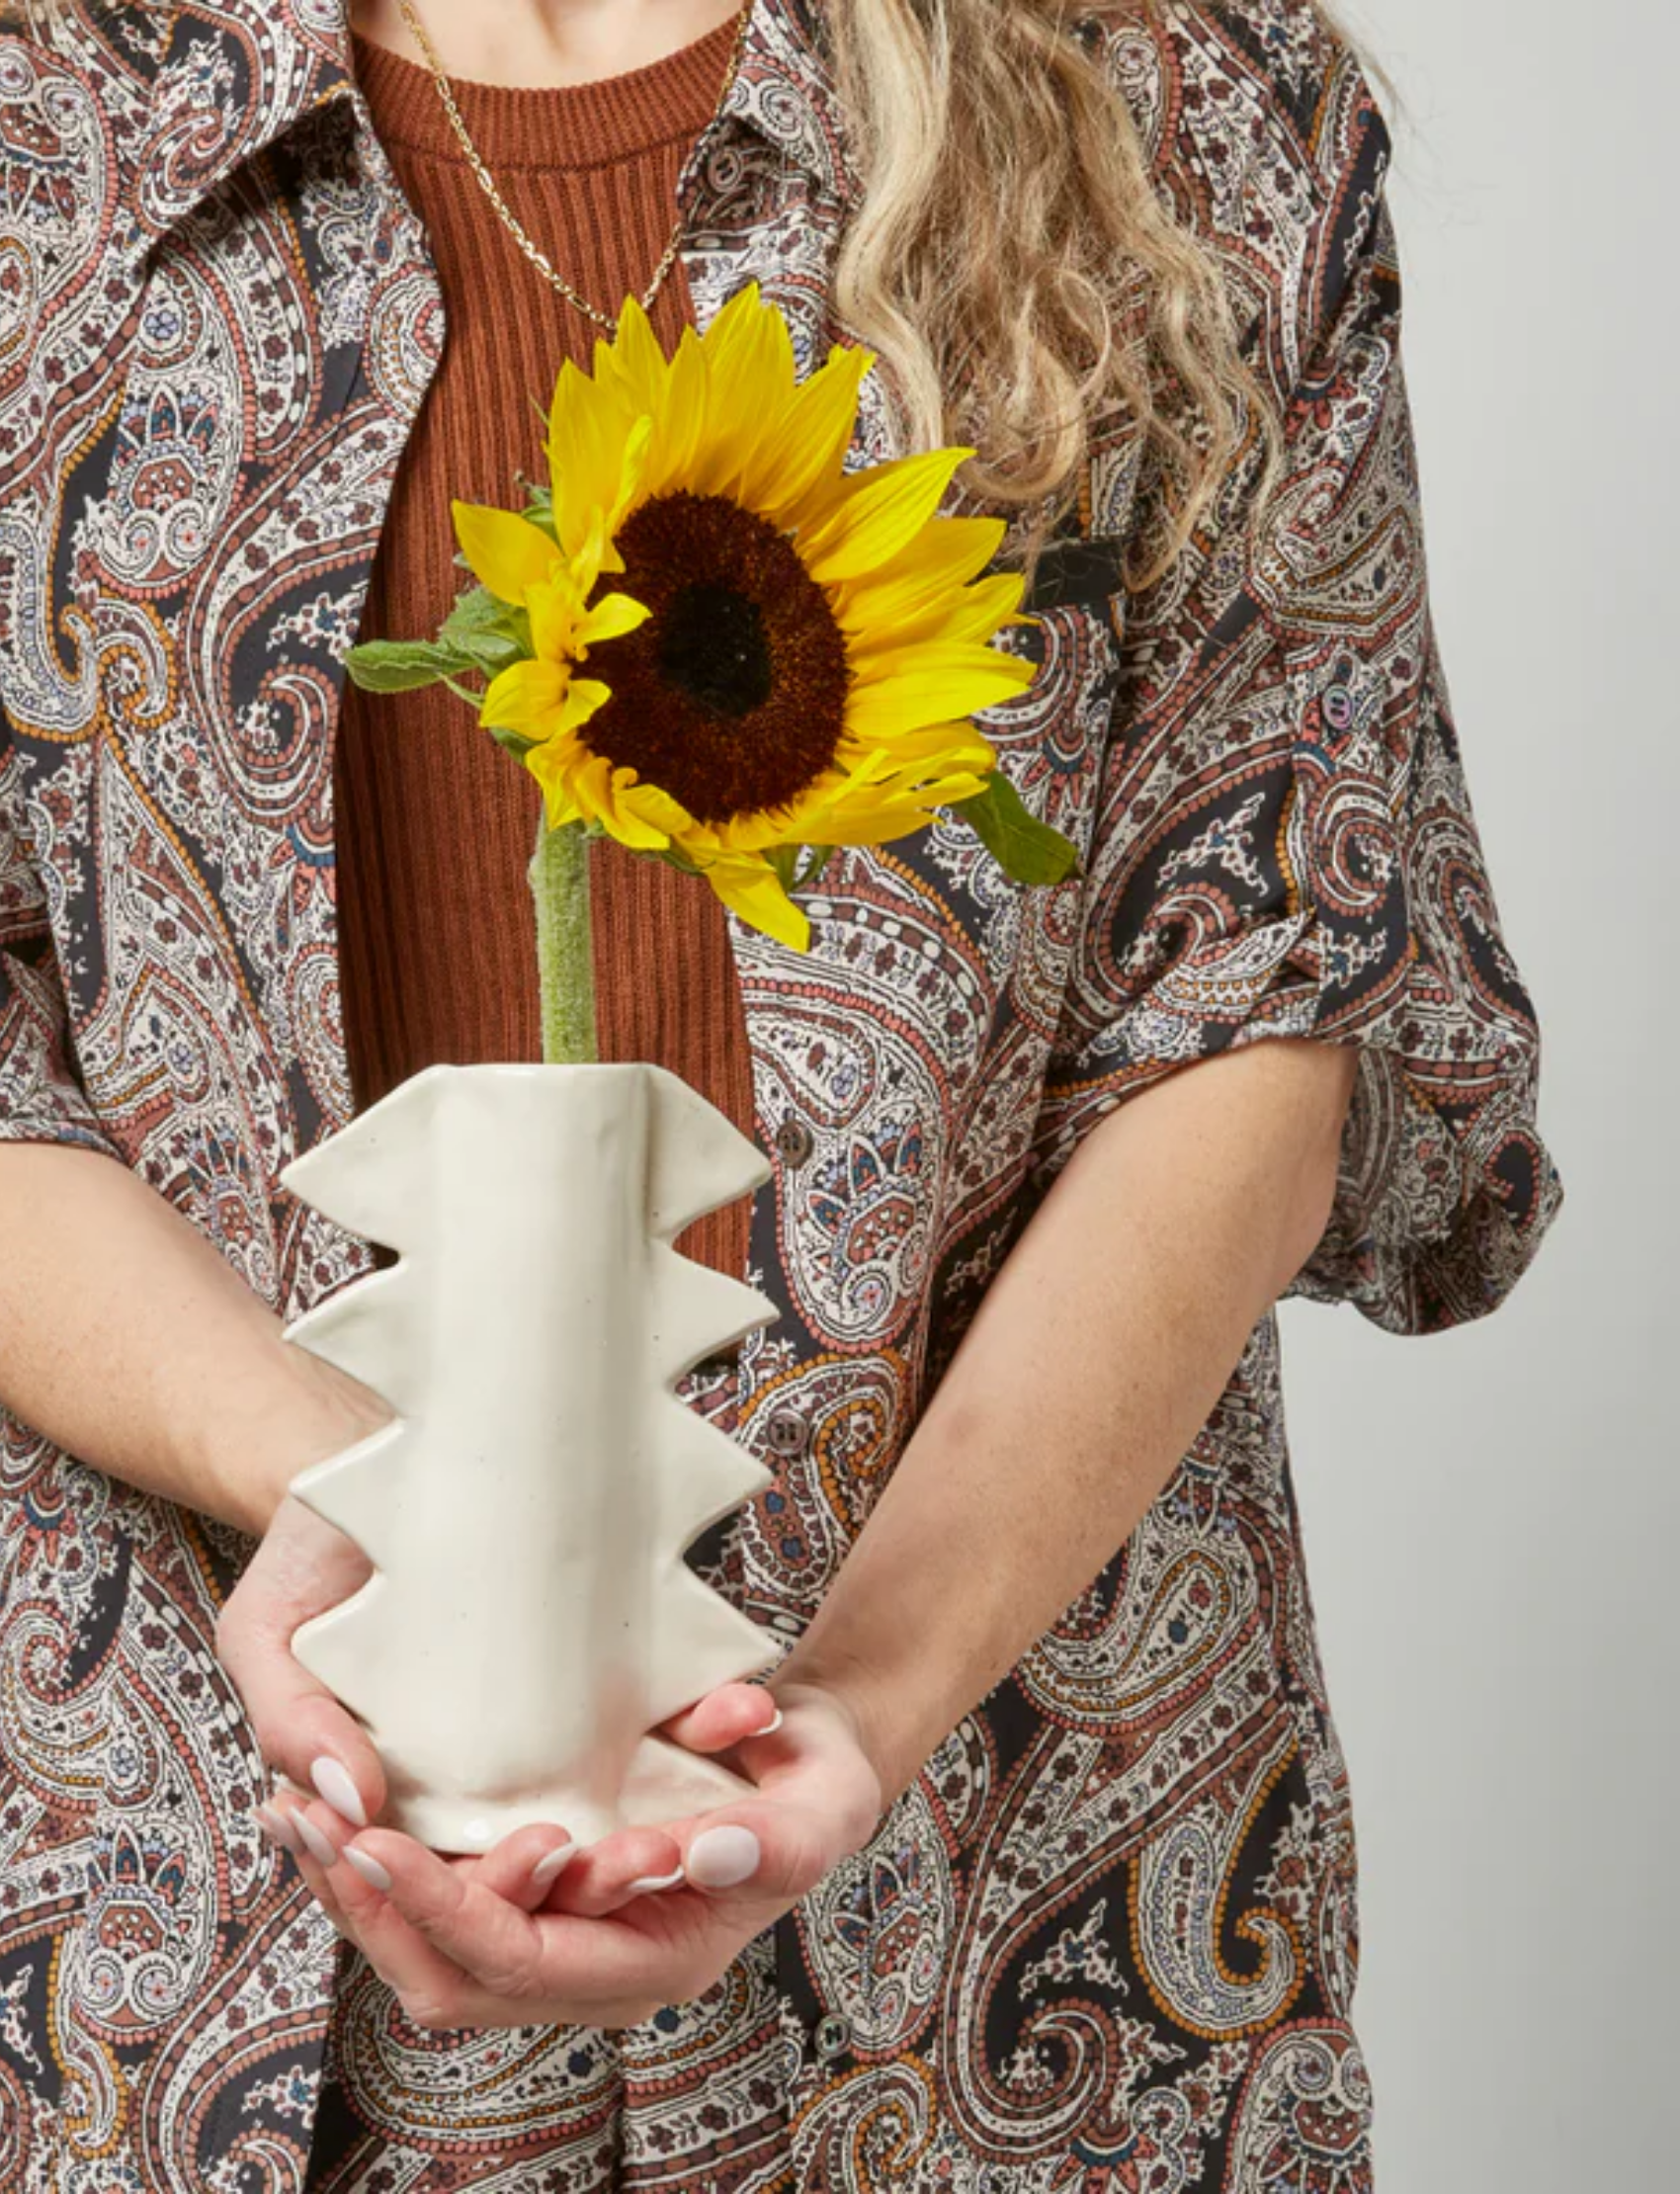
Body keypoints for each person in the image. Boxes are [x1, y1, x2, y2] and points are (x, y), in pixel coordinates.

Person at [0, 0, 1562, 2185]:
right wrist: (378, 1516)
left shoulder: (1175, 97)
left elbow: (1261, 988)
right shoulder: (47, 109)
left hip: (1001, 1898)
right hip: (185, 1913)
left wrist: (851, 1712)